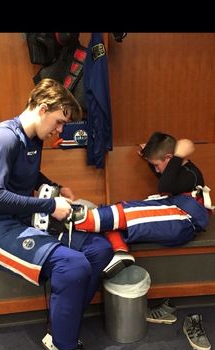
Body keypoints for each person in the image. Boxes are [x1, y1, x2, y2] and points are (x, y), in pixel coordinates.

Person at [0, 78, 115, 350]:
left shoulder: (33, 139)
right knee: (73, 263)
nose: (58, 131)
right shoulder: (3, 137)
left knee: (99, 249)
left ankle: (58, 330)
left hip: (21, 217)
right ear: (43, 109)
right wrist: (49, 206)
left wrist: (54, 186)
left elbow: (28, 174)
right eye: (58, 122)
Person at [71, 132, 213, 330]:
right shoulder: (173, 167)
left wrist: (178, 156)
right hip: (173, 209)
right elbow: (164, 176)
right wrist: (149, 157)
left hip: (186, 218)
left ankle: (74, 220)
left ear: (170, 159)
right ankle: (120, 251)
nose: (156, 169)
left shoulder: (190, 173)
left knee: (127, 215)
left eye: (157, 165)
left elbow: (165, 184)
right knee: (118, 213)